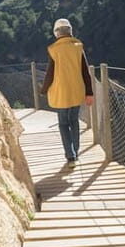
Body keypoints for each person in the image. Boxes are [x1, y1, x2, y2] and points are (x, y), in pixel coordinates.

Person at [41, 18, 94, 168]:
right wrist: (89, 92)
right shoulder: (78, 47)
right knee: (74, 121)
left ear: (56, 33)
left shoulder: (54, 50)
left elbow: (50, 74)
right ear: (70, 31)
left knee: (63, 124)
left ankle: (70, 156)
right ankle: (75, 152)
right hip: (77, 91)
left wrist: (44, 90)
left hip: (61, 93)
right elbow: (85, 71)